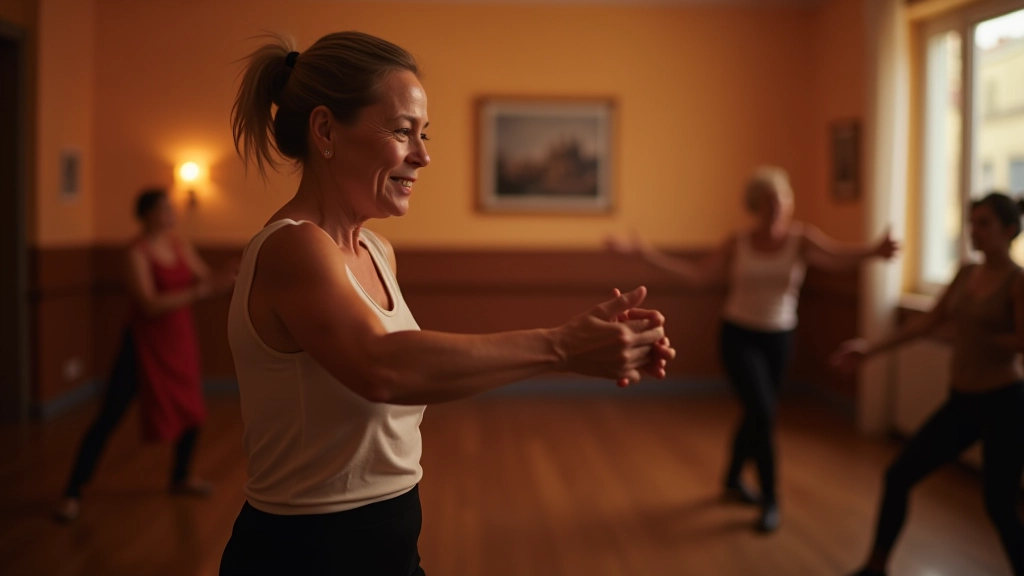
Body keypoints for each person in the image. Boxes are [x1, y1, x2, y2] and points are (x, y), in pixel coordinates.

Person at [220, 31, 676, 576]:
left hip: (388, 538)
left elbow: (417, 376)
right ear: (325, 130)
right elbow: (382, 369)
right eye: (402, 131)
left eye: (424, 133)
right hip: (307, 552)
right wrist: (562, 347)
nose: (423, 154)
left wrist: (583, 344)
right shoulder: (294, 247)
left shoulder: (375, 249)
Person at [608, 166, 898, 532]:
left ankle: (731, 478)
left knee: (757, 412)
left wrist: (875, 251)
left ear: (790, 203)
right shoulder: (738, 241)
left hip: (779, 337)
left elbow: (837, 257)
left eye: (782, 199)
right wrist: (644, 253)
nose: (777, 207)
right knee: (763, 413)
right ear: (756, 206)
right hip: (738, 335)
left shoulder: (802, 238)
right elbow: (697, 275)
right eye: (768, 201)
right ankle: (771, 499)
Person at [834, 192, 1024, 576]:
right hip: (963, 402)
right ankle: (875, 567)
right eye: (971, 222)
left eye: (983, 223)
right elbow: (927, 322)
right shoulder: (967, 272)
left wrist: (986, 339)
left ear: (1008, 230)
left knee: (999, 506)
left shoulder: (1017, 281)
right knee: (899, 476)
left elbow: (1023, 340)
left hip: (1004, 403)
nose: (974, 230)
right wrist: (869, 350)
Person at [54, 189, 237, 523]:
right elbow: (150, 304)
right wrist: (200, 291)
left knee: (192, 409)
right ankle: (72, 492)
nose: (172, 213)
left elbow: (208, 280)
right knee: (109, 416)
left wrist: (237, 272)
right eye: (165, 208)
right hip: (143, 345)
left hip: (179, 340)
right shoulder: (135, 252)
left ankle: (181, 477)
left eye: (171, 208)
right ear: (148, 214)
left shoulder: (180, 245)